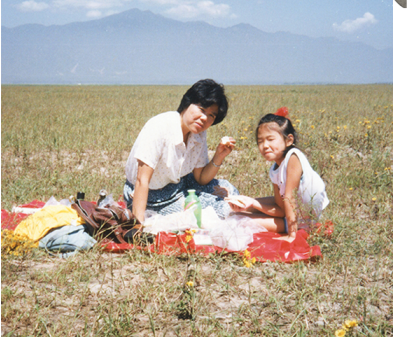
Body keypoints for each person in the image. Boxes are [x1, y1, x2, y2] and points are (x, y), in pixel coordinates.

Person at [124, 79, 239, 223]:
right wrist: (138, 226)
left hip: (180, 183)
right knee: (223, 210)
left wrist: (219, 155)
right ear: (187, 103)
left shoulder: (199, 133)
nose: (204, 118)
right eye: (202, 110)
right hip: (153, 195)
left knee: (230, 191)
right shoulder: (159, 127)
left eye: (211, 115)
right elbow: (142, 180)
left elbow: (201, 178)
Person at [227, 107, 329, 242]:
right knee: (238, 211)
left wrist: (292, 236)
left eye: (270, 139)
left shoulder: (293, 157)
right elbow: (280, 208)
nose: (265, 146)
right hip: (288, 214)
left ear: (289, 140)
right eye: (260, 141)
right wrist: (251, 202)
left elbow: (290, 198)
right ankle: (245, 204)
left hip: (300, 223)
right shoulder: (275, 169)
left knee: (237, 219)